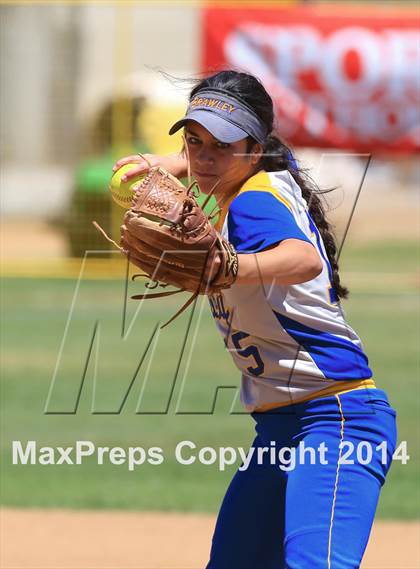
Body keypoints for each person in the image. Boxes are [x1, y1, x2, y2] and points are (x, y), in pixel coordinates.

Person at [113, 70, 397, 569]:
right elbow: (219, 156)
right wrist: (172, 164)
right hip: (281, 429)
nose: (203, 157)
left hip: (336, 420)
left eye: (220, 146)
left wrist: (232, 266)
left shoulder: (252, 202)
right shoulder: (263, 177)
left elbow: (303, 258)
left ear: (253, 147)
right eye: (194, 141)